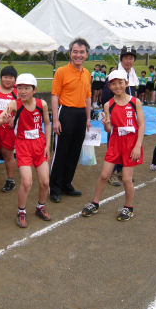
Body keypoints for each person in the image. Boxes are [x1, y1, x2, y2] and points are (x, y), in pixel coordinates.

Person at [81, 70, 145, 221]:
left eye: (120, 82)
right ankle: (95, 202)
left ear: (126, 83)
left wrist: (138, 146)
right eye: (113, 83)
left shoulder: (135, 102)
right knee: (104, 175)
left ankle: (129, 207)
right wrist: (106, 125)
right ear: (109, 86)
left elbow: (141, 125)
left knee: (126, 179)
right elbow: (109, 130)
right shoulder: (108, 105)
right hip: (115, 142)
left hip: (131, 143)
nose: (117, 86)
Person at [0, 73, 52, 228]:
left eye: (27, 88)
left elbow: (47, 123)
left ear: (34, 89)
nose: (23, 91)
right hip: (23, 146)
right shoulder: (14, 104)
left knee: (45, 182)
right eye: (20, 88)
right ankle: (21, 211)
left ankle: (40, 206)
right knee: (26, 182)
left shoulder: (42, 104)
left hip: (40, 146)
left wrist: (47, 145)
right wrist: (4, 119)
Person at [50, 38, 91, 203]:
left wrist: (88, 118)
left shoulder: (87, 73)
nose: (78, 55)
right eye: (75, 52)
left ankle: (67, 183)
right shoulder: (61, 71)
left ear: (86, 54)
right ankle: (54, 187)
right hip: (65, 113)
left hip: (81, 114)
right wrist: (55, 120)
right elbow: (54, 96)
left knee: (75, 151)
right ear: (70, 53)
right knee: (62, 151)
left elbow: (88, 98)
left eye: (82, 52)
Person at [108, 46, 140, 186]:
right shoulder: (116, 74)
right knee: (114, 145)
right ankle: (112, 173)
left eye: (131, 58)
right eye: (126, 57)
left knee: (127, 145)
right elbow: (107, 96)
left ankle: (121, 170)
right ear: (121, 59)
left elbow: (132, 94)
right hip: (116, 117)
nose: (129, 60)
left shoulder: (132, 74)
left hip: (128, 117)